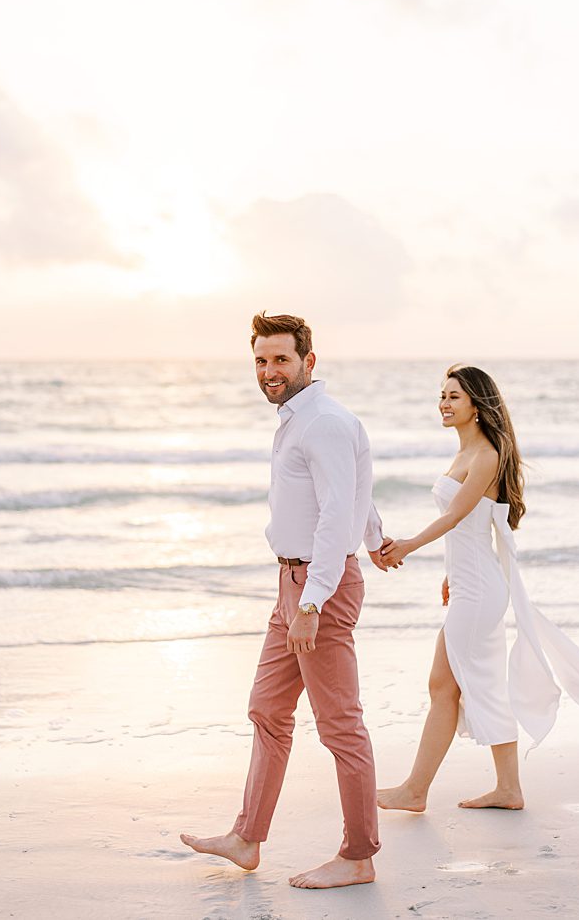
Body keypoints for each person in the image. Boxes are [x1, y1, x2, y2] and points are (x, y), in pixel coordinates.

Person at [180, 311, 392, 890]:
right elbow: (353, 496)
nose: (269, 371)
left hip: (315, 589)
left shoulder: (320, 422)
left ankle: (358, 854)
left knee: (340, 725)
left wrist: (313, 602)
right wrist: (376, 541)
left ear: (308, 362)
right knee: (268, 710)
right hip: (295, 585)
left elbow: (333, 513)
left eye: (280, 359)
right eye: (261, 360)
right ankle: (247, 838)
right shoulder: (308, 420)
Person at [374, 364, 579, 813]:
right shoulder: (466, 454)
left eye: (454, 396)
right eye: (442, 395)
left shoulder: (486, 456)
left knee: (455, 687)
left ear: (477, 404)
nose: (444, 403)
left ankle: (420, 790)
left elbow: (456, 516)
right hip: (471, 583)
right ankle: (495, 789)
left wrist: (408, 545)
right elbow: (474, 529)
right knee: (451, 685)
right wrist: (450, 574)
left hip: (478, 591)